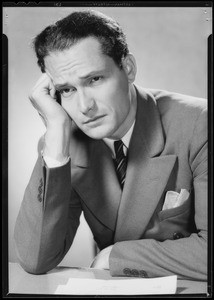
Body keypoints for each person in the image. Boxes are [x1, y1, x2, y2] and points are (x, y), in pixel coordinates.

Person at [14, 9, 207, 280]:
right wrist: (56, 140)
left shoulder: (200, 124)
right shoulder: (64, 141)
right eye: (66, 90)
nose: (84, 107)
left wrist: (115, 256)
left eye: (94, 79)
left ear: (128, 69)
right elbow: (35, 259)